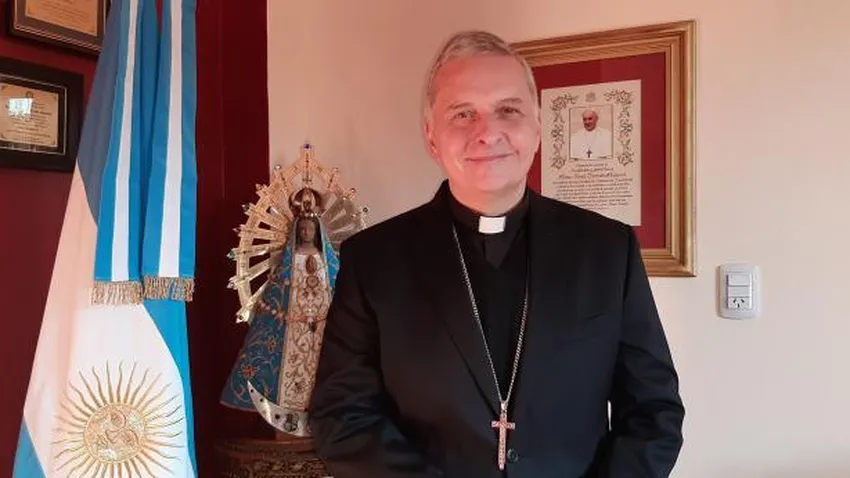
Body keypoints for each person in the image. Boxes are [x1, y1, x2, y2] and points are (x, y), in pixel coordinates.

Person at [308, 30, 684, 477]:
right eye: (463, 113)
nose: (487, 132)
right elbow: (343, 419)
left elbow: (652, 413)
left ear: (537, 128)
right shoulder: (374, 260)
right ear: (431, 137)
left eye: (508, 110)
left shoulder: (607, 249)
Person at [221, 186, 339, 437]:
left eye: (310, 229)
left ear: (318, 232)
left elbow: (336, 285)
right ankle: (290, 421)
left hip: (323, 328)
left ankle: (328, 419)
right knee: (291, 372)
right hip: (292, 328)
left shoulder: (326, 260)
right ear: (296, 231)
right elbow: (278, 290)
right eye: (302, 229)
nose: (306, 233)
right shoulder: (290, 260)